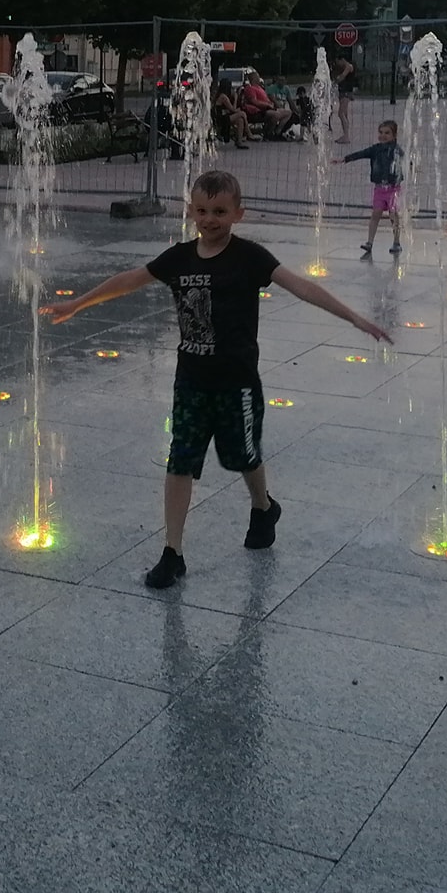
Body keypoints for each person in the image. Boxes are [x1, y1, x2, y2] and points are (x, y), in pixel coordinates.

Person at [50, 169, 392, 588]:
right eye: (201, 210)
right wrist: (79, 304)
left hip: (238, 382)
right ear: (190, 210)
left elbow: (301, 287)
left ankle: (263, 507)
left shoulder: (250, 257)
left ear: (238, 214)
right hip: (191, 380)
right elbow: (129, 281)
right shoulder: (179, 258)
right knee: (180, 461)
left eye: (219, 211)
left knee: (244, 456)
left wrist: (354, 317)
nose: (209, 219)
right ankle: (172, 552)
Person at [336, 119, 404, 257]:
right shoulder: (375, 149)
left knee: (393, 216)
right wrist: (344, 159)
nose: (383, 135)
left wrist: (411, 167)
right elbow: (360, 154)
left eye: (387, 133)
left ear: (394, 135)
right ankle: (369, 242)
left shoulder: (397, 151)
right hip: (379, 189)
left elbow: (407, 162)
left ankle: (396, 242)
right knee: (375, 215)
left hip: (393, 189)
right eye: (381, 132)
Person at [239, 72, 294, 139]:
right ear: (254, 78)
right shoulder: (250, 89)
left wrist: (271, 104)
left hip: (269, 108)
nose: (259, 78)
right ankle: (268, 133)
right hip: (259, 111)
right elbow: (254, 102)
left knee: (288, 113)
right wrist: (267, 105)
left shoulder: (260, 88)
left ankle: (277, 131)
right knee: (275, 115)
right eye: (258, 77)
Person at [212, 82, 250, 149]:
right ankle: (248, 133)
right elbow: (233, 109)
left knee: (240, 120)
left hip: (223, 117)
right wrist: (235, 98)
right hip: (220, 119)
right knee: (242, 114)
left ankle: (239, 141)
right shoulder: (223, 97)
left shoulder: (219, 95)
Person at [331, 54, 358, 141]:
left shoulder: (348, 66)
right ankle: (345, 135)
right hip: (343, 92)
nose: (338, 64)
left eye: (338, 62)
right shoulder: (344, 67)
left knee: (341, 113)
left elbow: (342, 77)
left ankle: (346, 136)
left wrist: (335, 80)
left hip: (346, 92)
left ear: (342, 59)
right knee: (344, 114)